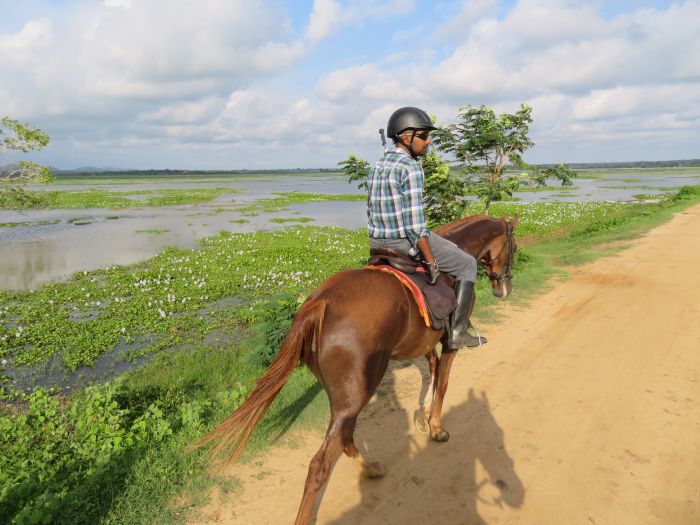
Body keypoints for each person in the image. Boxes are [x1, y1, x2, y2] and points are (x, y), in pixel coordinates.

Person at [367, 106, 486, 349]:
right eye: (423, 136)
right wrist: (431, 261)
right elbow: (415, 227)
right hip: (403, 242)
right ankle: (457, 333)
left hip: (376, 243)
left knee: (450, 245)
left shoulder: (377, 165)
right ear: (405, 137)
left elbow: (371, 209)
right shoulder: (411, 167)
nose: (428, 141)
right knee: (466, 263)